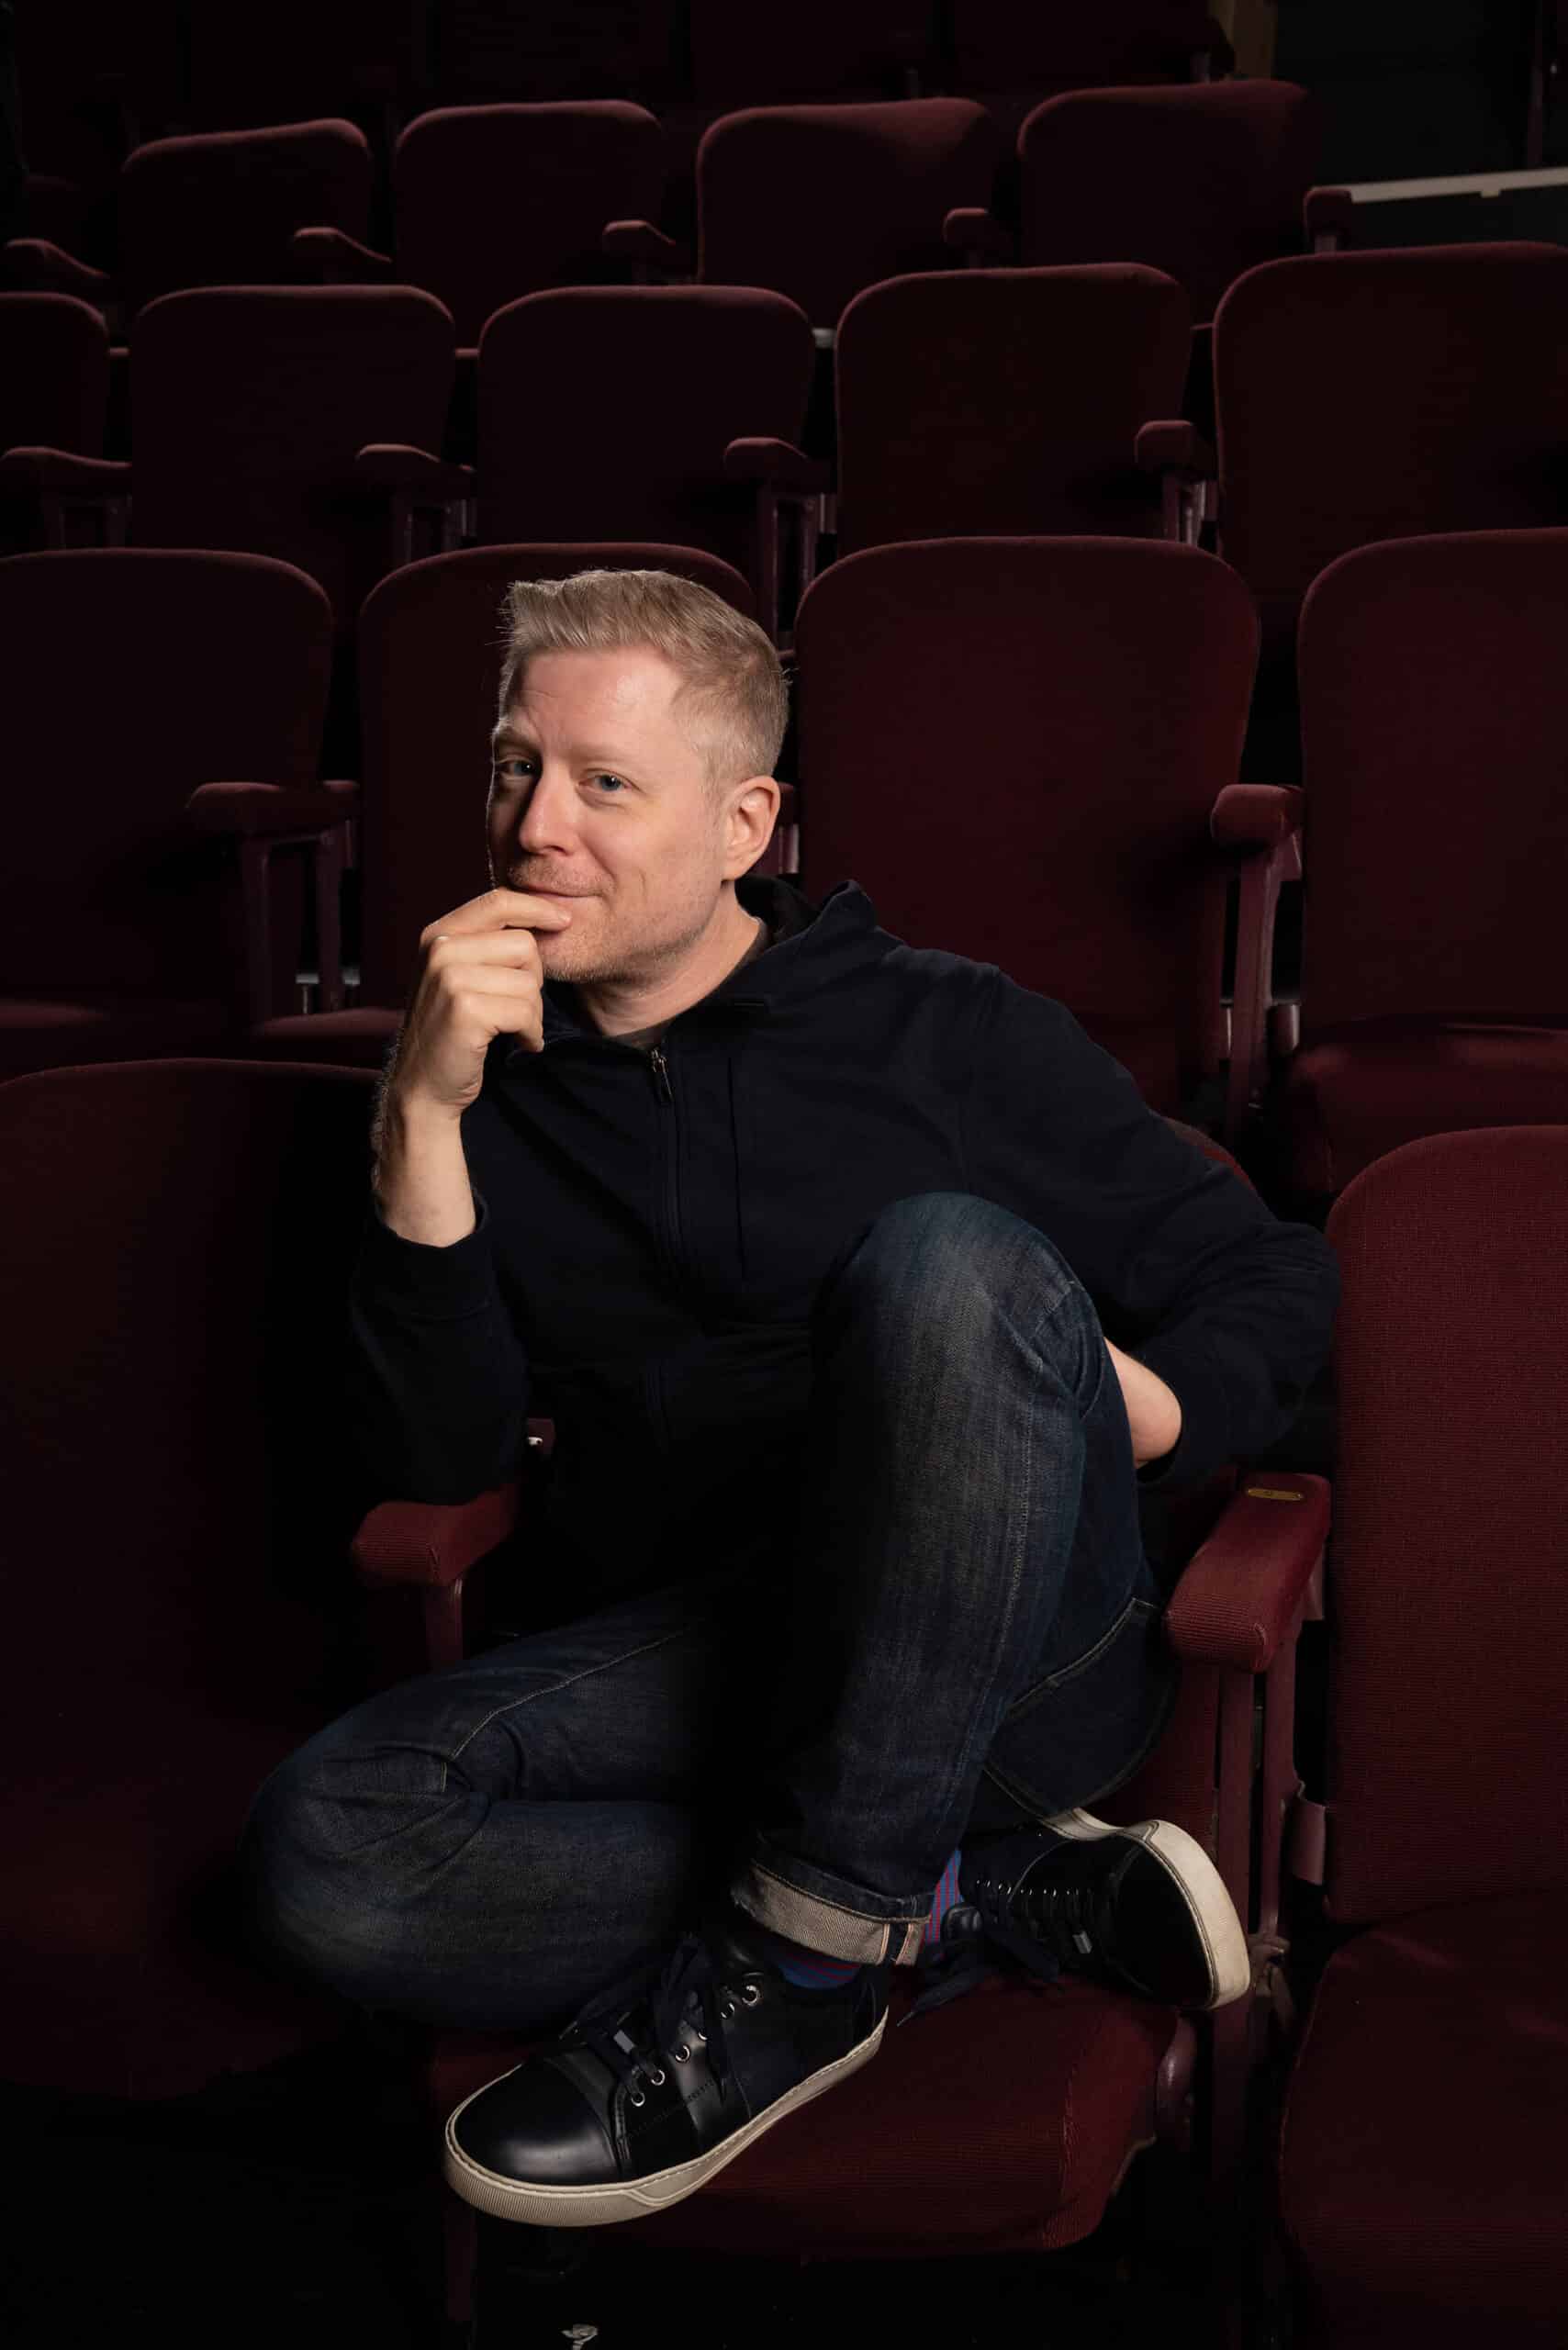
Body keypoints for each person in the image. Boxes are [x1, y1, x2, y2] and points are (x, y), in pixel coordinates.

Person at [239, 567, 1338, 2231]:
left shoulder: (940, 1033)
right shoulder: (480, 1083)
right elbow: (432, 1466)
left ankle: (807, 1964)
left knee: (947, 1263)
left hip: (1017, 1656)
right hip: (719, 1652)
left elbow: (1277, 1279)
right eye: (512, 769)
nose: (538, 828)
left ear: (746, 821)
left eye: (607, 782)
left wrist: (1135, 1409)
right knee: (327, 1847)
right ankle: (971, 1899)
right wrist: (422, 1125)